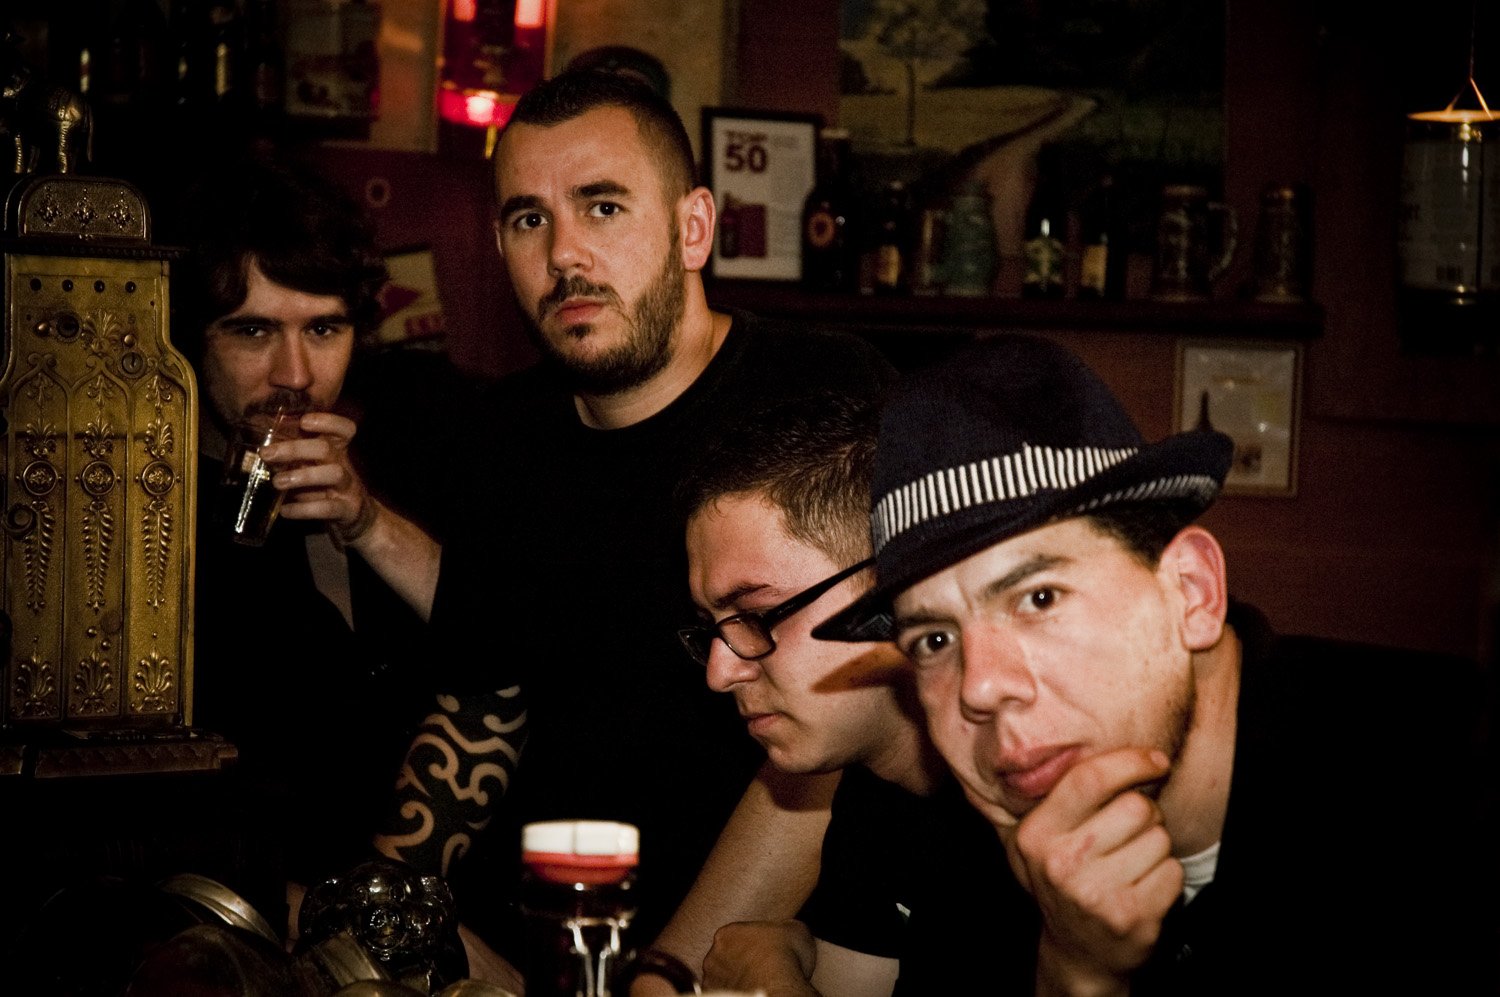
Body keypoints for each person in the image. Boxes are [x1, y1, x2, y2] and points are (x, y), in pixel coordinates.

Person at [371, 68, 895, 978]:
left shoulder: (823, 395)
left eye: (603, 206)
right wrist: (382, 902)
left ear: (694, 228)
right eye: (529, 219)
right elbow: (480, 706)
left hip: (738, 954)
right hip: (533, 935)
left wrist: (664, 971)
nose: (564, 254)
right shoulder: (502, 435)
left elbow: (843, 745)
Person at [813, 334, 1497, 995]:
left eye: (1039, 597)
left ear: (1191, 593)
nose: (981, 686)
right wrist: (1078, 974)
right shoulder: (965, 847)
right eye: (934, 640)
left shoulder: (1436, 782)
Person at [173, 153, 454, 918]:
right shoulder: (151, 513)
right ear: (192, 339)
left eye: (323, 328)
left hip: (436, 906)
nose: (294, 373)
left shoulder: (413, 454)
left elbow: (506, 642)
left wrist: (367, 523)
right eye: (253, 330)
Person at [678, 392, 1024, 996]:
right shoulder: (875, 790)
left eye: (756, 616)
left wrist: (771, 980)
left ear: (899, 584)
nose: (720, 672)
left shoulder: (1022, 798)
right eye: (713, 627)